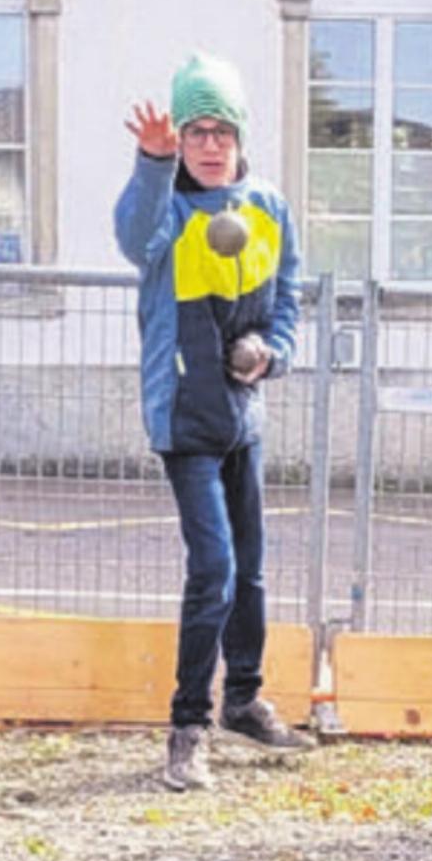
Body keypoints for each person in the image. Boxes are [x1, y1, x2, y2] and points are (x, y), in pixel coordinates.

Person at [114, 52, 315, 793]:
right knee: (215, 570)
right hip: (183, 419)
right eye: (194, 131)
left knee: (252, 572)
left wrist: (272, 353)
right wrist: (150, 163)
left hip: (242, 417)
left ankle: (244, 700)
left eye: (219, 131)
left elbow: (288, 297)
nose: (207, 144)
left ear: (238, 139)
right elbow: (132, 239)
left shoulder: (266, 206)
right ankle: (188, 724)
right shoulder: (165, 209)